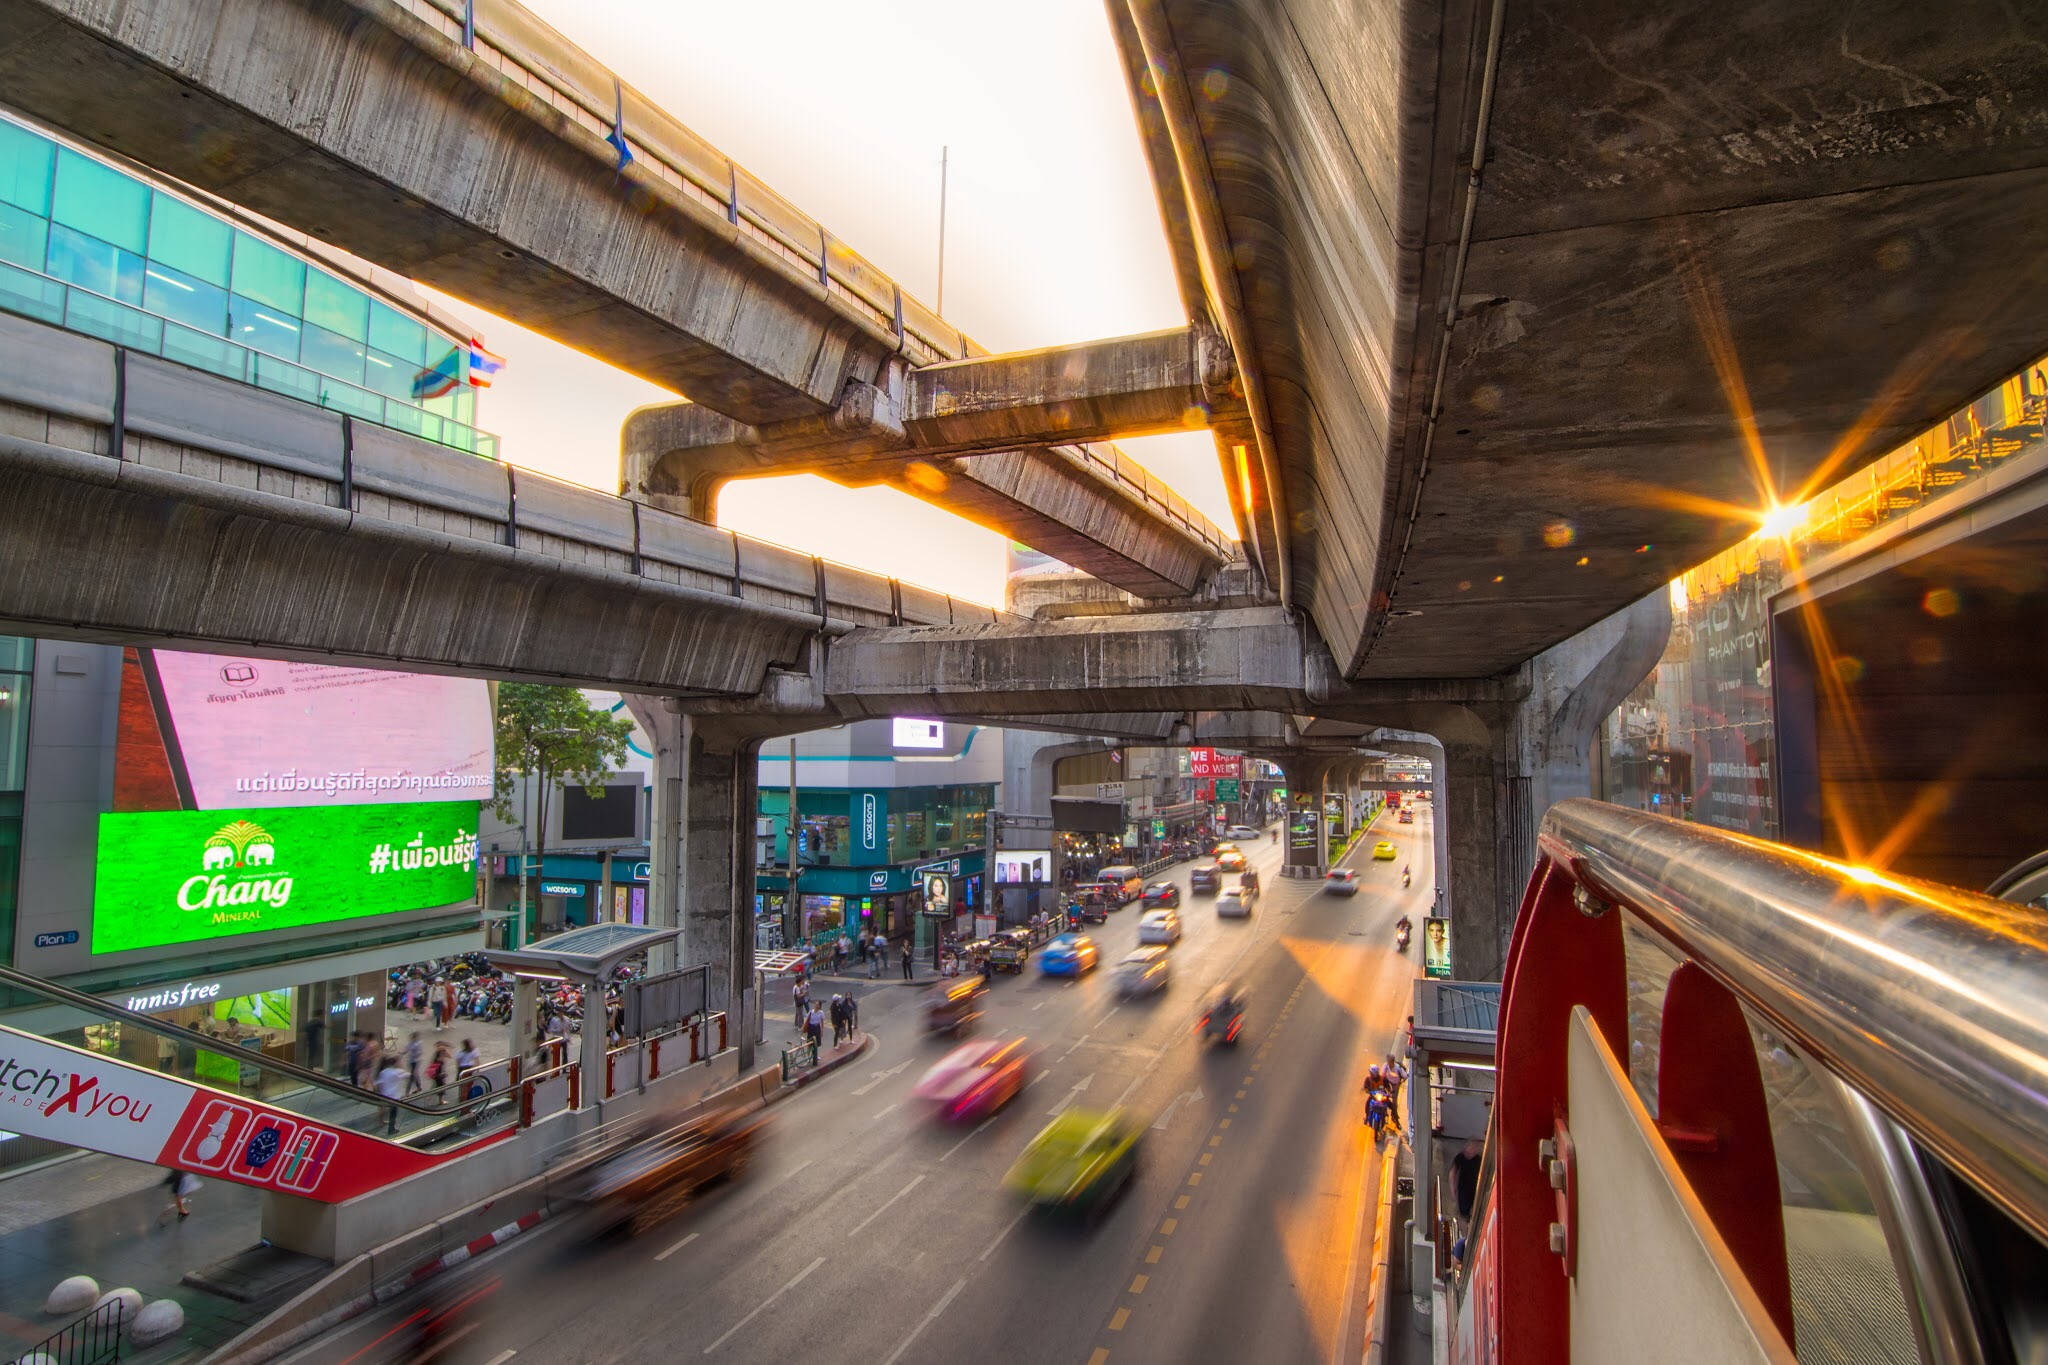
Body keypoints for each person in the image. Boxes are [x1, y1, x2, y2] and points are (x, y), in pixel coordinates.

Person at [1449, 1140, 1484, 1224]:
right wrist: (1452, 1189)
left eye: (1473, 1149)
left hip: (1475, 1190)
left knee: (1477, 1212)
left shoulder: (1478, 1159)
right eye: (1470, 1148)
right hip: (1463, 1190)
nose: (1471, 1151)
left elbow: (1483, 1174)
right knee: (1463, 1215)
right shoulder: (1460, 1158)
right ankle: (1465, 1231)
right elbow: (1452, 1173)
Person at [375, 1053, 406, 1133]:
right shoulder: (388, 1071)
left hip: (383, 1093)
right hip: (388, 1095)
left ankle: (382, 1121)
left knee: (383, 1108)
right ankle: (390, 1128)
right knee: (391, 1111)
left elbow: (377, 1083)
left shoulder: (381, 1071)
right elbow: (405, 1074)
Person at [404, 1032, 424, 1096]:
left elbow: (419, 1053)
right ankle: (419, 1086)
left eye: (412, 1037)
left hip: (415, 1061)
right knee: (415, 1074)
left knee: (412, 1076)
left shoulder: (417, 1044)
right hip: (412, 1061)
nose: (411, 1038)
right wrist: (402, 1052)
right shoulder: (411, 1043)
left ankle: (407, 1091)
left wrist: (414, 1055)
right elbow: (407, 1049)